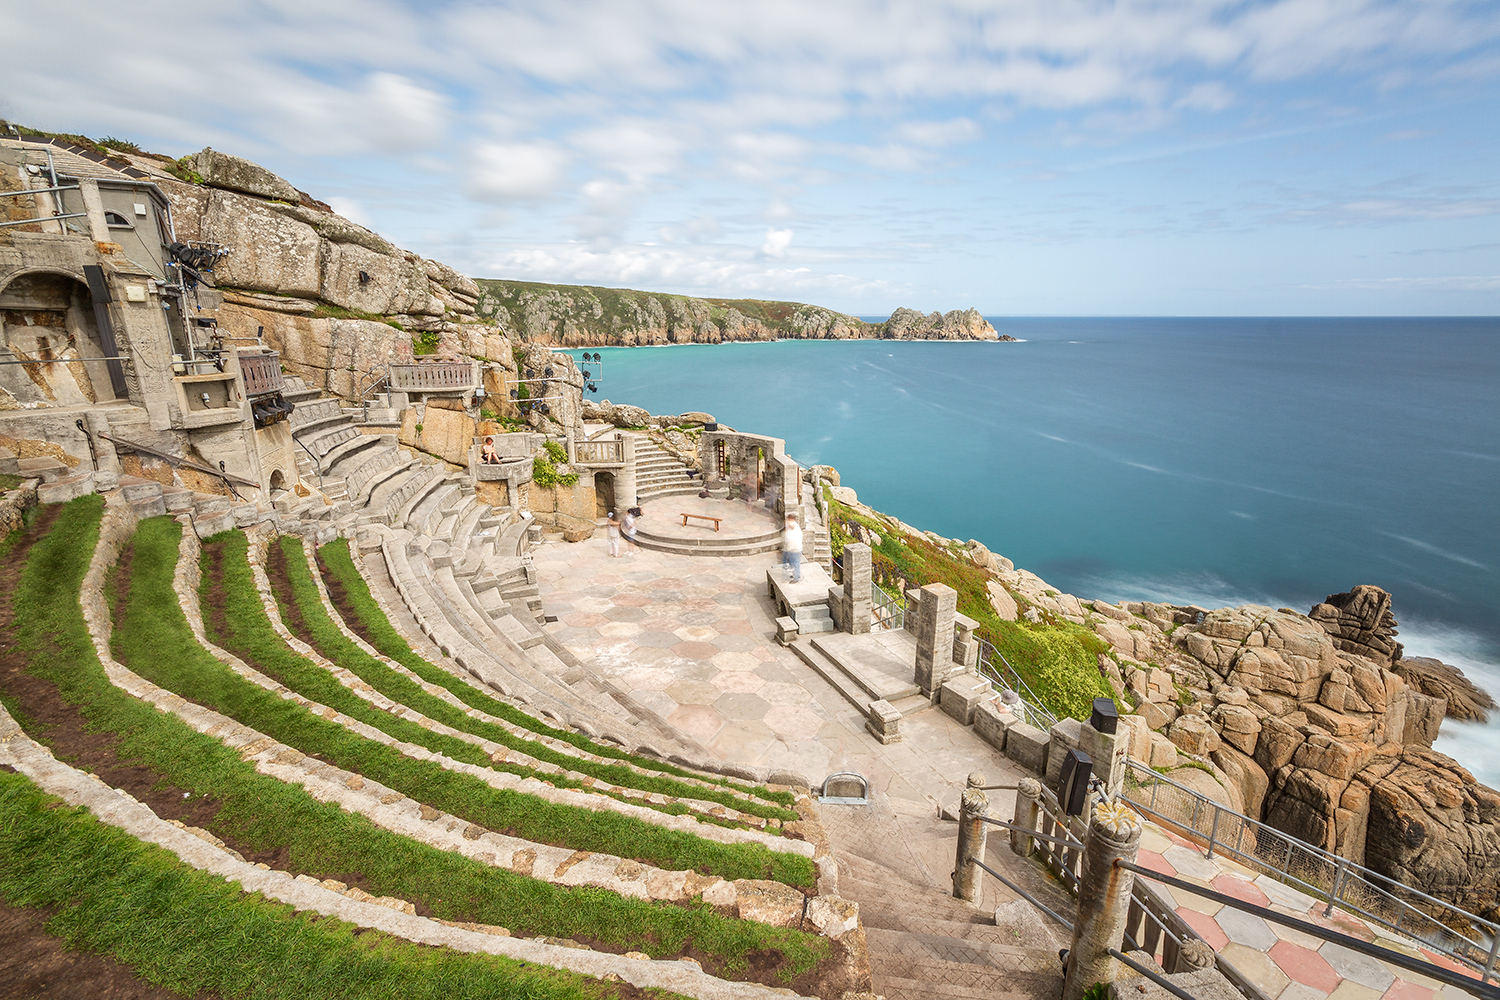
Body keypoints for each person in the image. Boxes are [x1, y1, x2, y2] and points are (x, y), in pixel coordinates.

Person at [782, 514, 802, 583]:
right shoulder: (789, 526)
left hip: (795, 548)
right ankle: (796, 575)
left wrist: (787, 522)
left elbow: (792, 526)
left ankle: (796, 578)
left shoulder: (794, 525)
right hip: (791, 548)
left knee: (795, 563)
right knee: (793, 563)